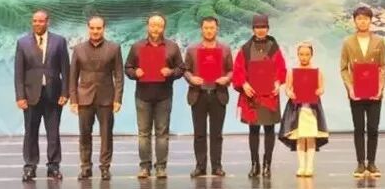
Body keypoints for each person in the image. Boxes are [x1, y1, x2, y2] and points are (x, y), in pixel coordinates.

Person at [123, 14, 184, 179]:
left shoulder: (172, 47)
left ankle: (161, 167)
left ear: (164, 27)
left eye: (159, 25)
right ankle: (144, 167)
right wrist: (135, 72)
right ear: (147, 26)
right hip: (143, 96)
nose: (156, 29)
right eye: (152, 25)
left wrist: (170, 72)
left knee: (162, 134)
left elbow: (181, 68)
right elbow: (127, 67)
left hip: (164, 96)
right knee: (143, 134)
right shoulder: (137, 46)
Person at [14, 10, 69, 182]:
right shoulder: (22, 43)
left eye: (41, 21)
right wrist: (20, 96)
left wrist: (65, 92)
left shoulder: (59, 41)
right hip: (31, 95)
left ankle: (53, 166)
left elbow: (66, 70)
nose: (37, 24)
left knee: (53, 132)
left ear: (47, 22)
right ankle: (30, 166)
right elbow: (19, 73)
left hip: (53, 94)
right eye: (35, 21)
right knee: (30, 132)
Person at [69, 15, 123, 181]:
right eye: (92, 28)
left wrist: (118, 98)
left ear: (103, 29)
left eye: (98, 28)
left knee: (106, 135)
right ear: (88, 29)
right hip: (84, 98)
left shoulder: (114, 48)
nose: (95, 31)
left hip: (106, 98)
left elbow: (119, 76)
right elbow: (73, 76)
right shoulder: (78, 49)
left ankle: (105, 168)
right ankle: (86, 167)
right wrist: (73, 99)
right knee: (84, 135)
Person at [232, 14, 287, 178]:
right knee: (254, 129)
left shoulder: (274, 47)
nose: (260, 30)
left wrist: (278, 82)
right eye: (257, 27)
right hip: (252, 96)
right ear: (253, 29)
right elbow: (238, 69)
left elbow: (281, 68)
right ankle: (254, 164)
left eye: (263, 27)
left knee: (269, 129)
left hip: (269, 95)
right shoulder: (246, 48)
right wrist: (244, 84)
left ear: (268, 28)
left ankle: (267, 164)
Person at [339, 5, 385, 178]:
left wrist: (380, 87)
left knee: (373, 128)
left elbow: (383, 66)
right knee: (358, 128)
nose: (362, 21)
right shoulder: (348, 42)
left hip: (375, 93)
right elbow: (343, 68)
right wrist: (350, 88)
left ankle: (372, 163)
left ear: (370, 20)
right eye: (359, 18)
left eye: (366, 18)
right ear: (354, 21)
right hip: (356, 93)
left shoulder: (379, 41)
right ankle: (360, 163)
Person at [183, 16, 234, 177]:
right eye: (206, 28)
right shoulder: (192, 49)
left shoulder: (225, 48)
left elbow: (231, 70)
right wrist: (191, 78)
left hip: (218, 94)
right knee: (199, 134)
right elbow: (185, 70)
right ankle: (200, 166)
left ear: (217, 29)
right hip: (198, 94)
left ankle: (217, 166)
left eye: (212, 28)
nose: (209, 31)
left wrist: (226, 79)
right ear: (201, 29)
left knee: (217, 134)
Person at [280, 41, 330, 177]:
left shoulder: (317, 71)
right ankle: (302, 166)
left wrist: (319, 91)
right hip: (298, 109)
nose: (304, 57)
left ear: (311, 55)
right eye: (301, 54)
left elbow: (321, 87)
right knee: (300, 138)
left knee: (311, 138)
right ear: (297, 55)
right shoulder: (292, 71)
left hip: (312, 109)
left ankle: (310, 166)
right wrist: (290, 93)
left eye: (307, 54)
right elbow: (287, 88)